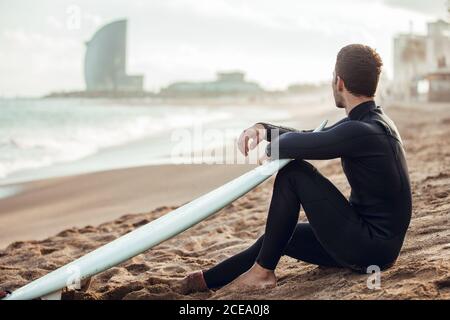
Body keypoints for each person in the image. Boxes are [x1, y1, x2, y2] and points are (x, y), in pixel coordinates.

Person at [179, 44, 412, 294]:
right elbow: (310, 137)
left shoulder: (361, 131)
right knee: (280, 237)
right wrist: (263, 129)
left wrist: (274, 149)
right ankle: (206, 280)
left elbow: (294, 144)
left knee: (294, 174)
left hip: (370, 248)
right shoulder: (368, 122)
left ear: (339, 82)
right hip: (374, 245)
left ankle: (262, 273)